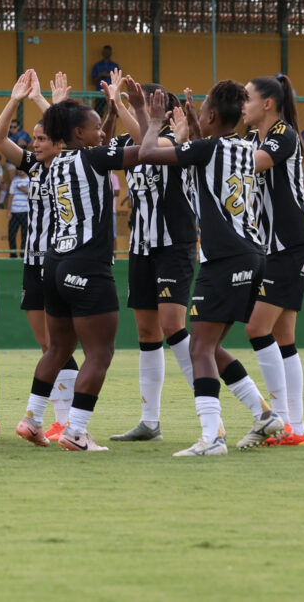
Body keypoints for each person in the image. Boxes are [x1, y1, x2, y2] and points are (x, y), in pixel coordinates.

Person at [136, 81, 284, 457]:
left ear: (213, 116)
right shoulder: (245, 146)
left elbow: (147, 152)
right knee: (211, 346)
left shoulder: (207, 148)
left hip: (225, 258)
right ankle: (264, 414)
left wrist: (154, 121)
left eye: (202, 110)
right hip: (253, 255)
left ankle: (211, 436)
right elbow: (210, 151)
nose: (197, 115)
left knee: (199, 346)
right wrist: (197, 124)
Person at [17, 88, 145, 452]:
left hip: (55, 265)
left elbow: (101, 148)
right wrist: (138, 109)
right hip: (88, 265)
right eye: (95, 128)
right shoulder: (94, 159)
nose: (101, 133)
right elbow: (145, 150)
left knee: (57, 349)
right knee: (99, 353)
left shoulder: (55, 162)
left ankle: (32, 419)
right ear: (77, 133)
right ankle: (75, 431)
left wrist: (108, 117)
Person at [102, 75, 198, 444]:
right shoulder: (128, 142)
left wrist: (129, 106)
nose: (141, 108)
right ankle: (149, 422)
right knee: (147, 333)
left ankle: (209, 410)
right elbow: (102, 148)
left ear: (169, 112)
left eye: (150, 103)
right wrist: (114, 107)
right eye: (140, 102)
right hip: (141, 246)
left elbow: (150, 142)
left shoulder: (175, 139)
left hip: (174, 244)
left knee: (173, 325)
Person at [0, 70, 78, 442]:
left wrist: (49, 104)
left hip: (60, 263)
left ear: (58, 142)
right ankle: (58, 420)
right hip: (33, 264)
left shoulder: (72, 165)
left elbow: (74, 138)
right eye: (34, 138)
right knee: (48, 345)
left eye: (42, 138)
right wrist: (15, 100)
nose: (34, 143)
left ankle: (65, 420)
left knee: (61, 344)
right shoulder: (33, 166)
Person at [243, 75, 304, 447]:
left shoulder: (283, 134)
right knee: (284, 337)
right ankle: (295, 429)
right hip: (274, 248)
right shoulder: (251, 137)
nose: (243, 105)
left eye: (247, 98)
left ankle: (282, 421)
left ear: (267, 104)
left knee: (257, 329)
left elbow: (254, 163)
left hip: (291, 245)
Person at [90, 45, 119, 116]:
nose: (107, 53)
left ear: (111, 53)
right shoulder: (97, 65)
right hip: (100, 93)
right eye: (105, 52)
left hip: (112, 92)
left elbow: (119, 79)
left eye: (108, 52)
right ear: (103, 53)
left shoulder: (115, 66)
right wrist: (101, 75)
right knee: (98, 113)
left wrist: (110, 76)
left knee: (114, 113)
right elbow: (93, 80)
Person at [7, 165, 29, 257]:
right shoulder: (14, 180)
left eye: (22, 168)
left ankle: (23, 255)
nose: (20, 170)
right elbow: (10, 196)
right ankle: (13, 255)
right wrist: (9, 211)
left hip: (26, 211)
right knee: (11, 235)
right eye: (18, 169)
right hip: (14, 212)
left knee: (25, 235)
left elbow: (33, 193)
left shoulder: (30, 179)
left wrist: (24, 189)